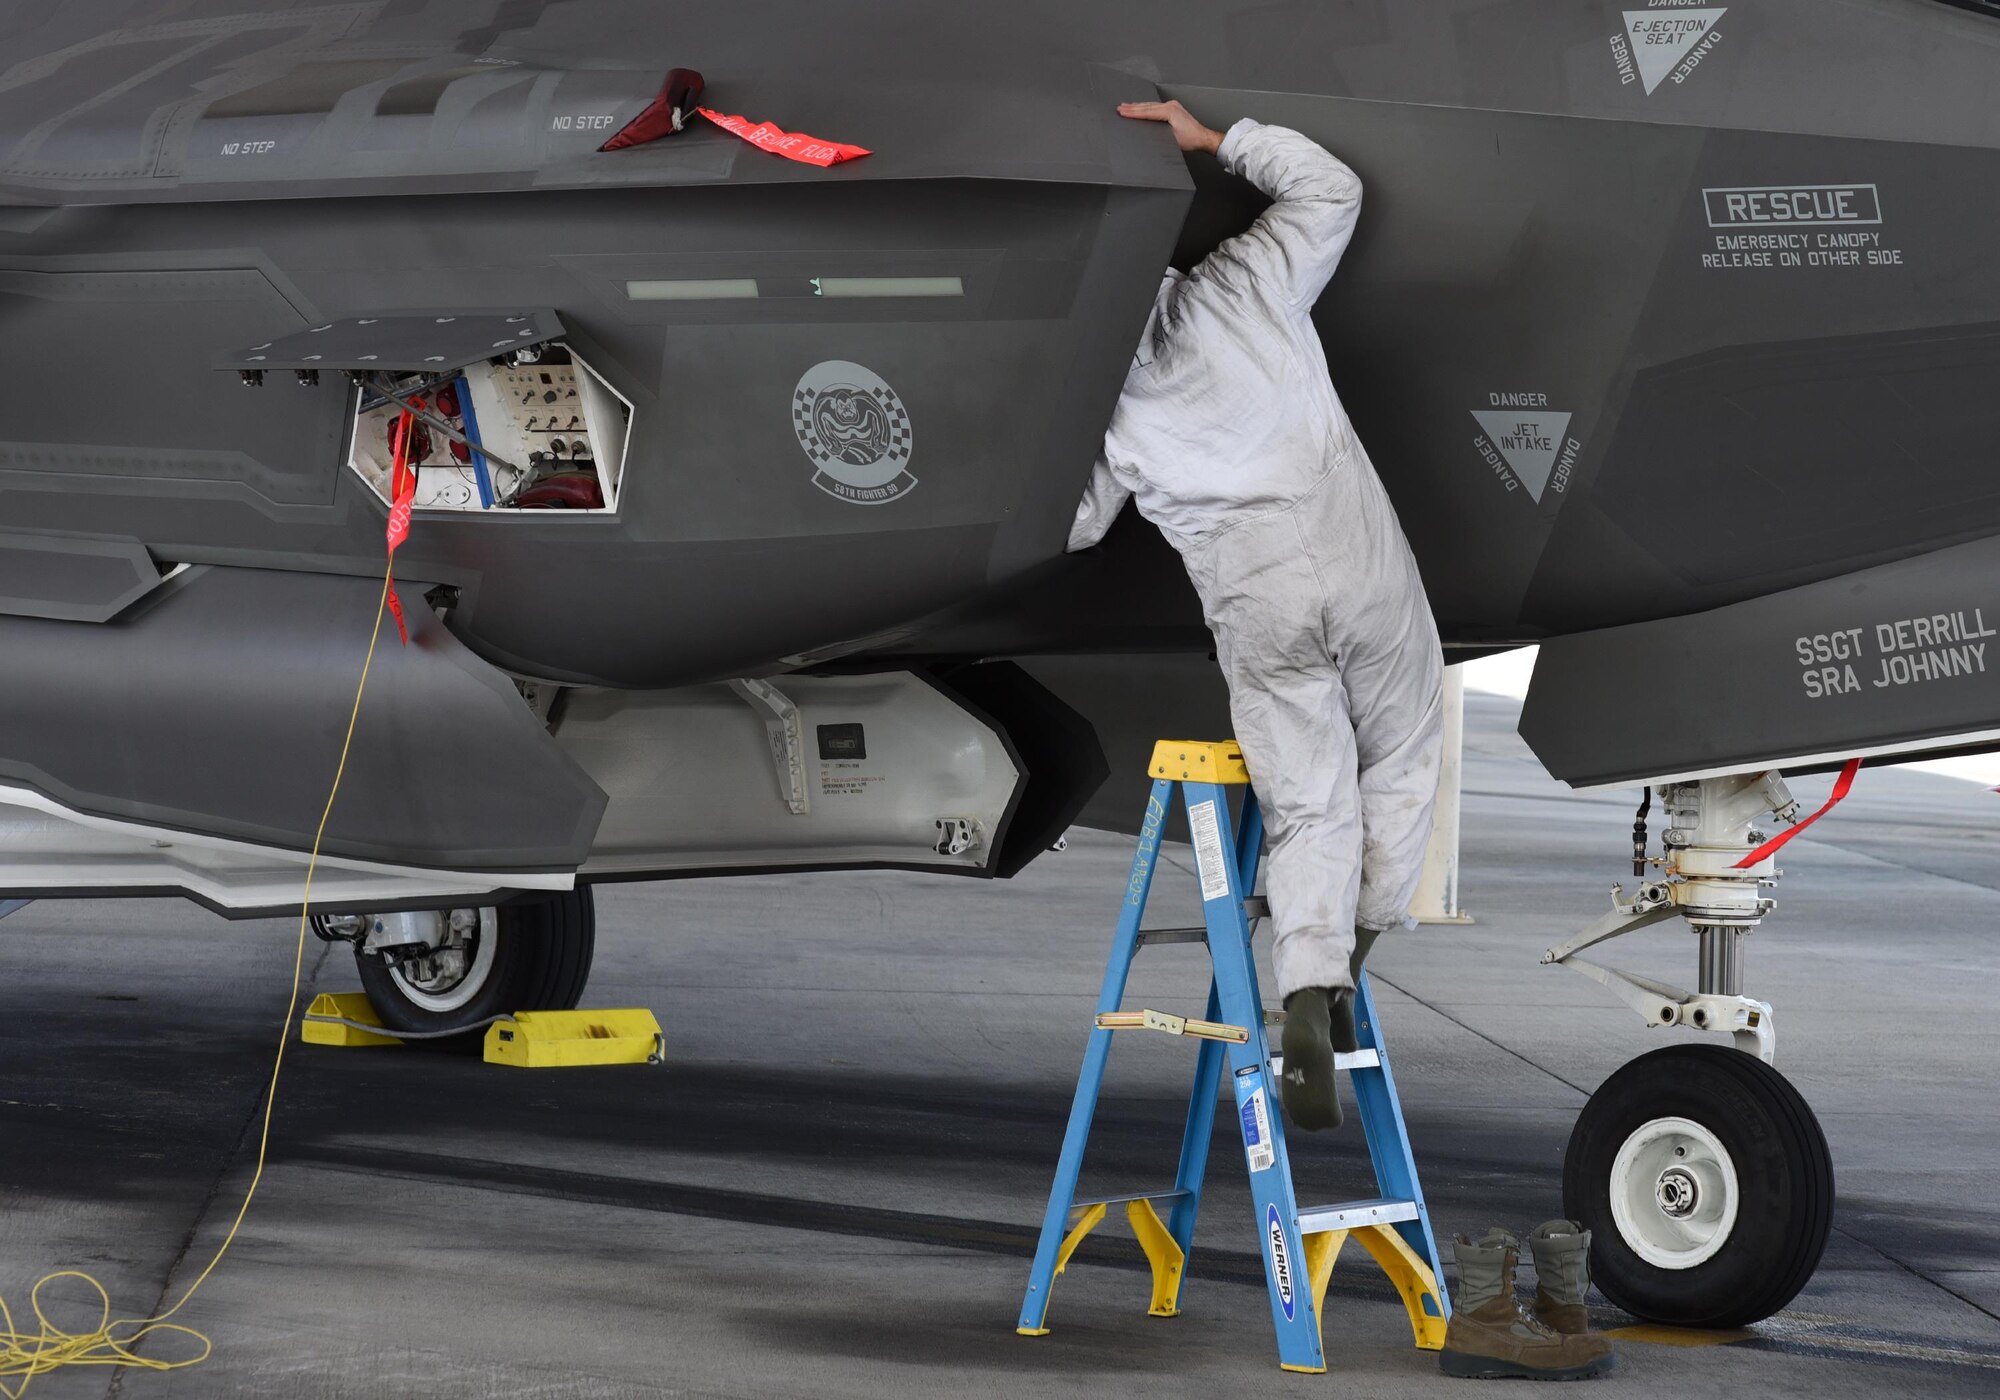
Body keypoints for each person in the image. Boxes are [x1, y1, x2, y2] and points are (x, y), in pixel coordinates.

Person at [1068, 101, 1444, 1131]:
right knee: (1403, 751)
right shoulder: (1238, 285)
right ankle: (1353, 953)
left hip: (1254, 596)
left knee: (1306, 801)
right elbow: (1333, 190)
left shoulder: (1109, 410)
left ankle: (1309, 986)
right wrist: (1213, 139)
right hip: (1355, 558)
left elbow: (1070, 527)